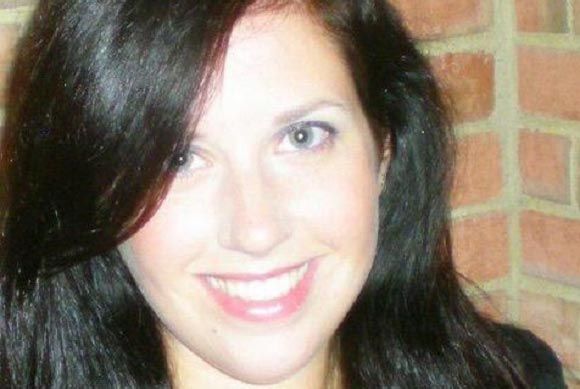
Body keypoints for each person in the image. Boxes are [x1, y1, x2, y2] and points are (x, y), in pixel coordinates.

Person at [0, 0, 566, 388]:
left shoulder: (512, 376)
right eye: (179, 158)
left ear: (383, 150)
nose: (256, 229)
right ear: (97, 191)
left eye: (302, 136)